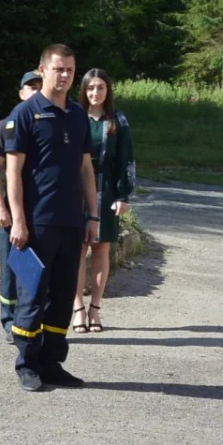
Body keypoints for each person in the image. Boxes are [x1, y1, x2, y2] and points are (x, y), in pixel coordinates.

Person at [2, 44, 100, 393]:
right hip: (37, 223)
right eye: (59, 69)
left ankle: (52, 363)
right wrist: (18, 220)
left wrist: (93, 215)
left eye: (70, 70)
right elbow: (12, 172)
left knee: (62, 295)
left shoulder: (77, 115)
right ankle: (27, 364)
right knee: (32, 295)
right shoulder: (25, 114)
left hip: (72, 220)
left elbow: (86, 169)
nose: (65, 76)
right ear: (42, 70)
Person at [75, 68, 137, 332]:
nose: (95, 93)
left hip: (107, 190)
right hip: (74, 191)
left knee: (101, 249)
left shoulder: (118, 120)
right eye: (91, 88)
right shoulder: (73, 116)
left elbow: (127, 159)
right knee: (77, 250)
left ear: (108, 90)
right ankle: (77, 308)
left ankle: (96, 308)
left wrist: (124, 194)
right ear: (84, 90)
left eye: (101, 87)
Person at [0, 69, 43, 340]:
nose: (34, 90)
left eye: (39, 86)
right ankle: (10, 322)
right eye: (29, 87)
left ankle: (31, 322)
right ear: (21, 93)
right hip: (12, 214)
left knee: (38, 269)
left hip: (41, 211)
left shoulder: (49, 124)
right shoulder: (5, 125)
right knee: (11, 268)